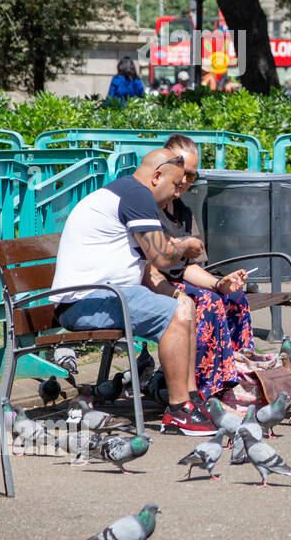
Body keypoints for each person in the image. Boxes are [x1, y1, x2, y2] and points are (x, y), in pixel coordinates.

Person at [50, 148, 216, 435]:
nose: (178, 193)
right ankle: (178, 410)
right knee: (176, 312)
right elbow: (162, 258)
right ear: (156, 176)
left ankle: (190, 399)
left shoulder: (129, 194)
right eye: (176, 185)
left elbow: (148, 271)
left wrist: (178, 294)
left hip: (102, 296)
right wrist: (185, 245)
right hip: (86, 300)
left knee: (185, 305)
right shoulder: (137, 195)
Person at [145, 134, 255, 404]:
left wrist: (220, 283)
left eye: (191, 176)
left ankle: (237, 374)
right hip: (149, 285)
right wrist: (185, 294)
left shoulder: (182, 211)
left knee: (234, 297)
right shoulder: (147, 206)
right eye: (181, 173)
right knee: (207, 302)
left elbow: (187, 267)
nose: (184, 181)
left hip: (173, 282)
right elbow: (150, 271)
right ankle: (201, 389)